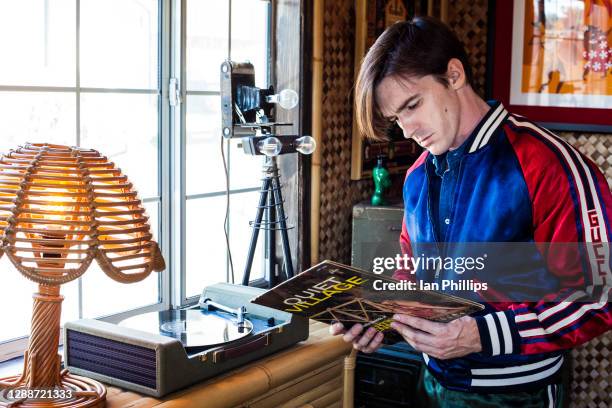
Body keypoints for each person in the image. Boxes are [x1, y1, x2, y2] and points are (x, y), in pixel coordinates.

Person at [331, 16, 612, 407]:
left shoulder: (548, 165)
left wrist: (482, 334)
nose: (409, 129)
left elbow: (598, 296)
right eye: (397, 118)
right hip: (431, 386)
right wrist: (381, 319)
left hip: (517, 394)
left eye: (413, 104)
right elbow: (412, 276)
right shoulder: (416, 177)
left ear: (455, 74)